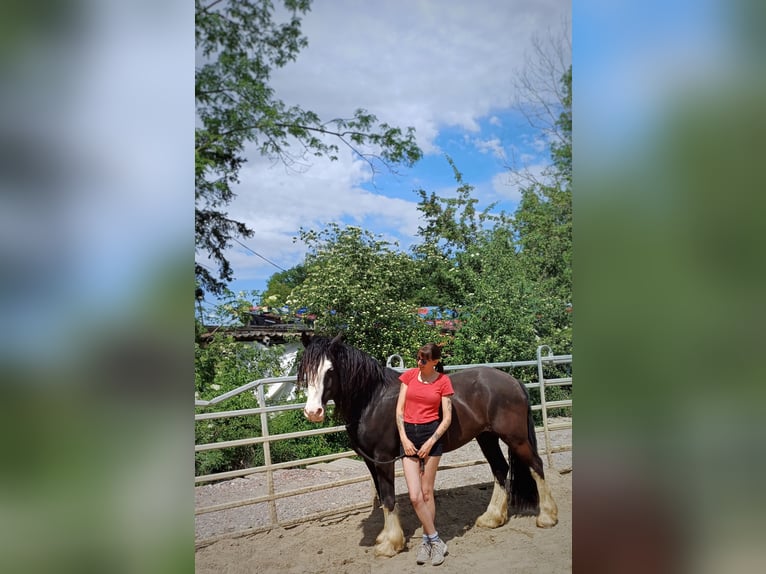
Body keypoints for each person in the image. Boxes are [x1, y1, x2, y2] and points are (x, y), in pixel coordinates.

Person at [396, 342, 454, 566]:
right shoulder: (408, 376)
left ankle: (427, 541)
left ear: (435, 362)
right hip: (408, 434)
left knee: (427, 493)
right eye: (418, 357)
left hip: (431, 433)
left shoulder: (443, 381)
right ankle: (436, 540)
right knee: (414, 495)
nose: (419, 362)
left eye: (424, 359)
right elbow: (399, 411)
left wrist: (431, 442)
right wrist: (404, 439)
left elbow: (447, 418)